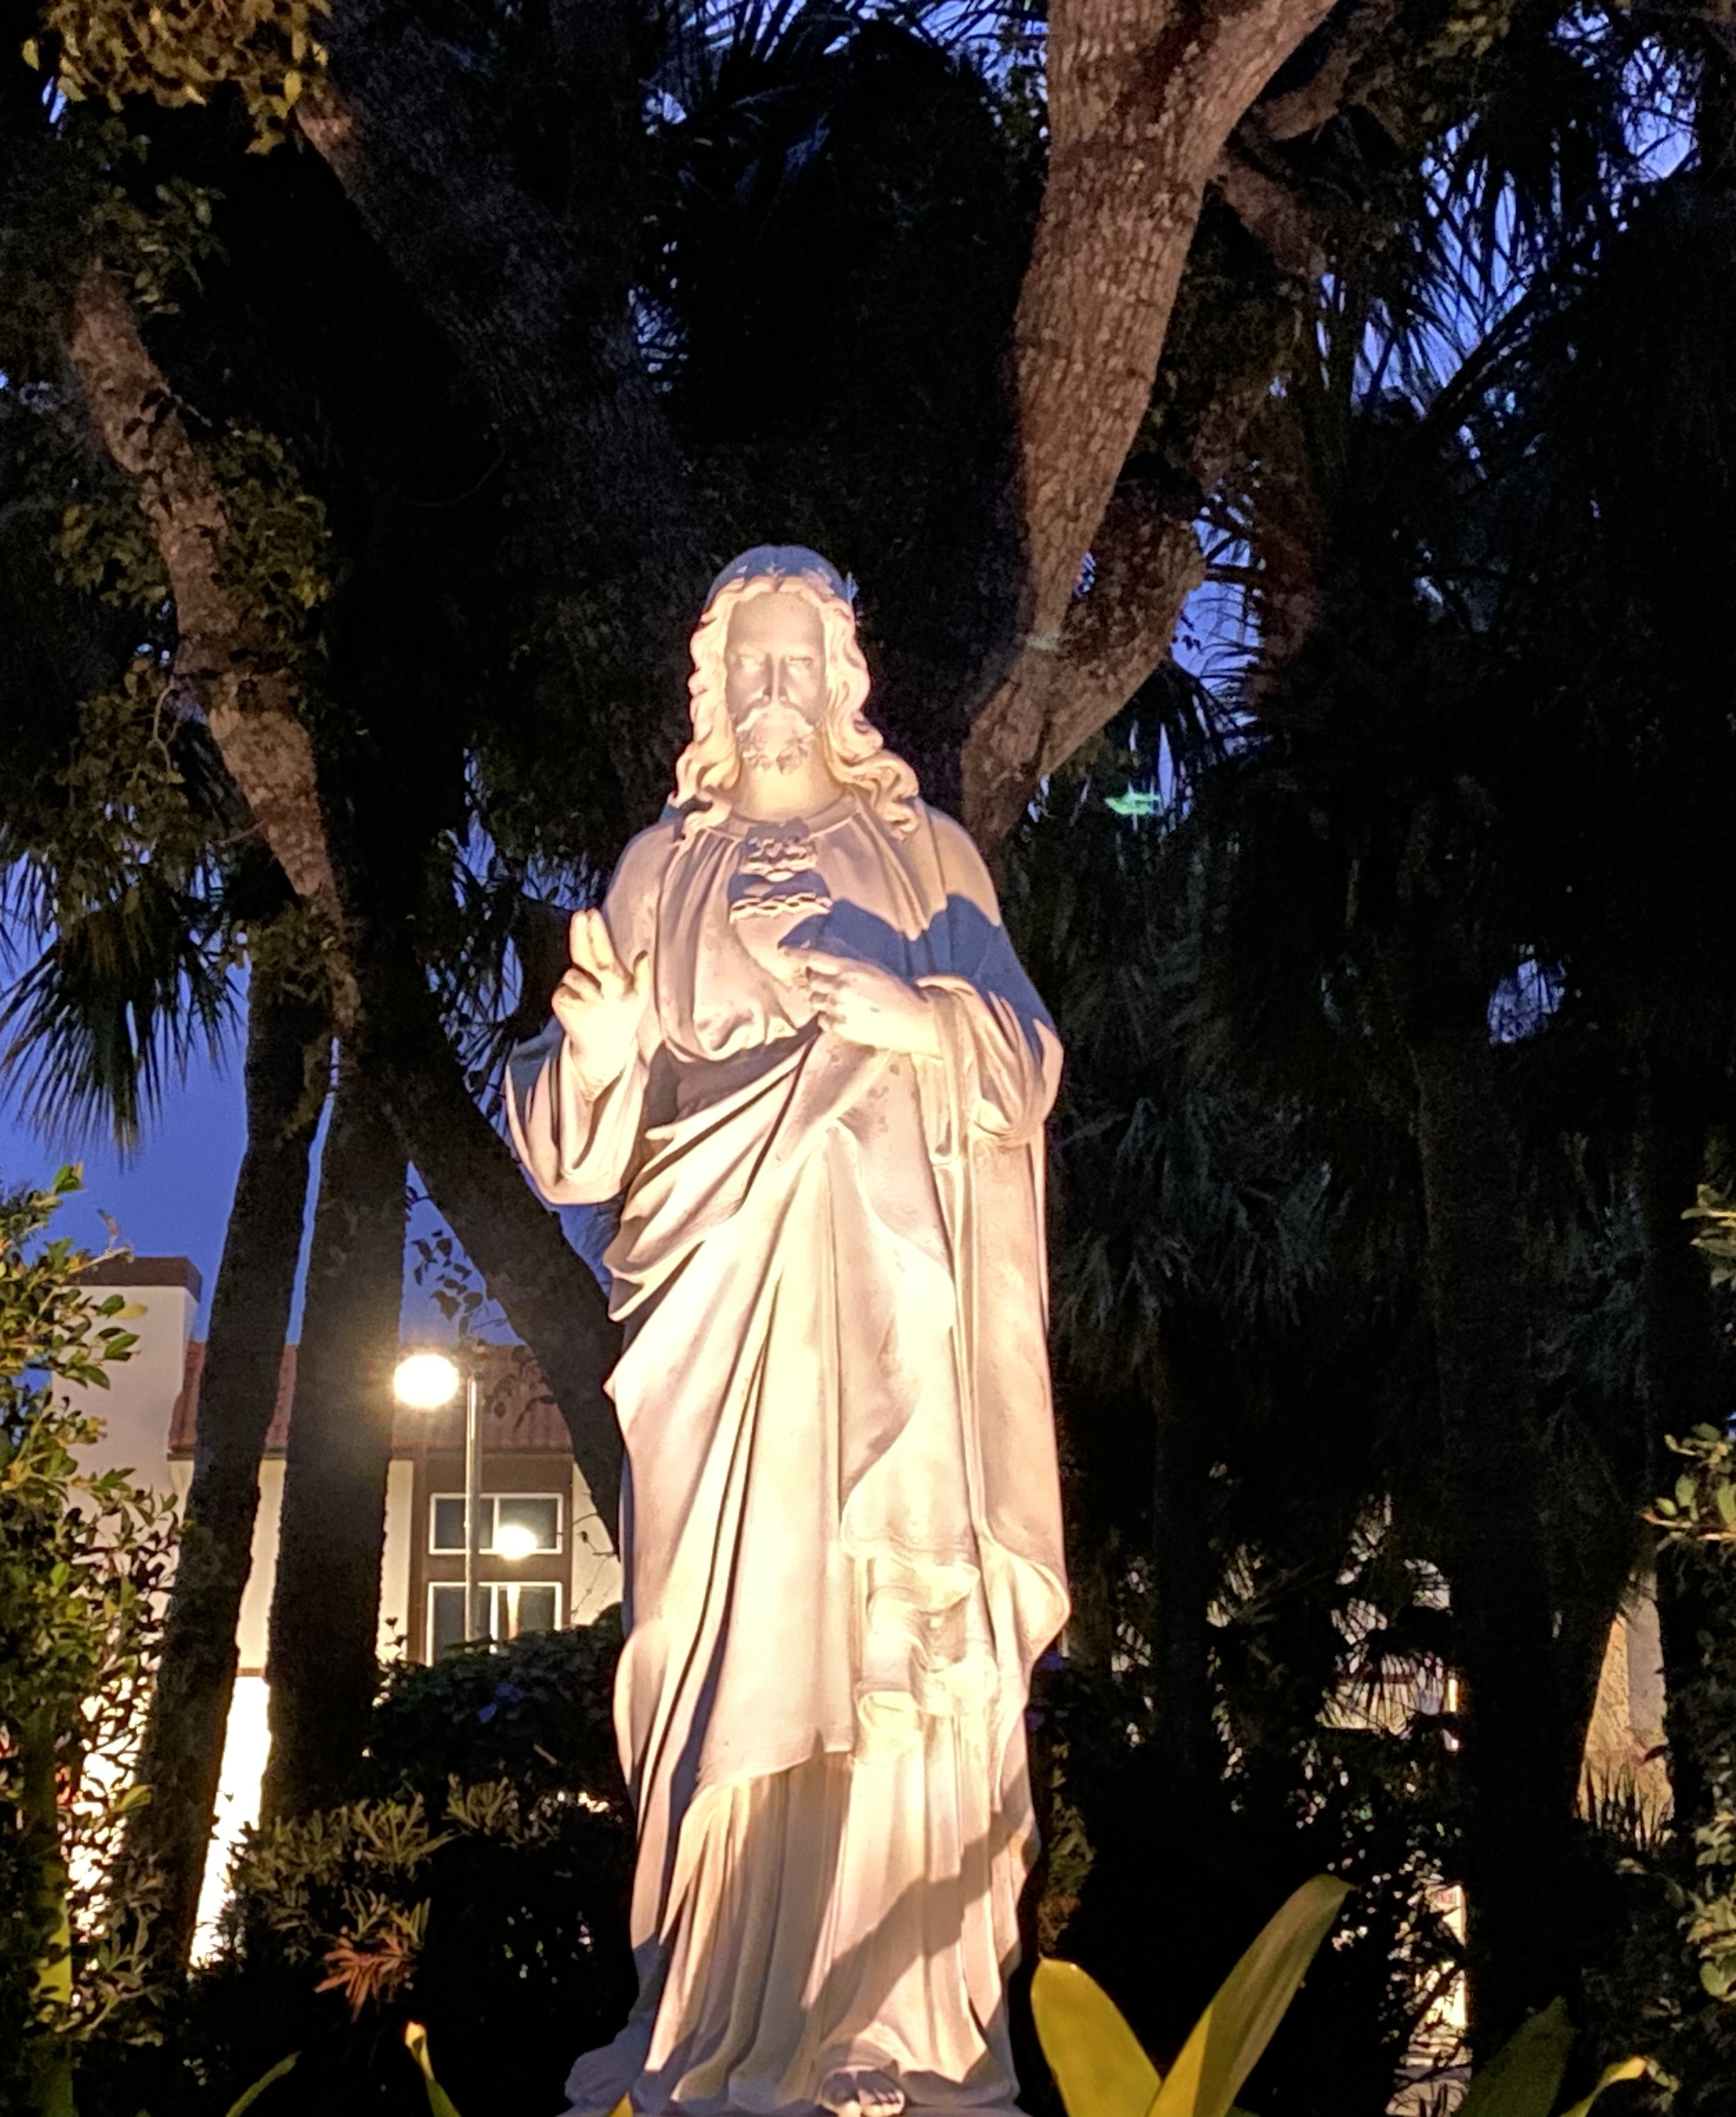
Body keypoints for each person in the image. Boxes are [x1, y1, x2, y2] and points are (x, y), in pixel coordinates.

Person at [505, 547, 1068, 2117]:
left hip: (895, 1318)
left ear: (841, 681)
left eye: (794, 662)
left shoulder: (927, 857)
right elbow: (581, 1155)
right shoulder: (657, 870)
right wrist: (595, 1054)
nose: (770, 690)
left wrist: (918, 1019)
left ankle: (894, 2011)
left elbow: (1024, 1063)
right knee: (716, 1648)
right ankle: (704, 2006)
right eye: (744, 665)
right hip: (715, 1323)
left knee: (895, 1648)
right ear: (710, 688)